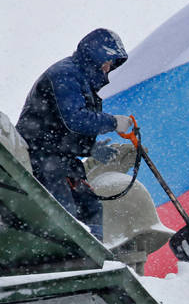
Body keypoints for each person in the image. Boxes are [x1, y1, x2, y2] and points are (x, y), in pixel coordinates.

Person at [16, 28, 133, 240]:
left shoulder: (78, 79)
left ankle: (93, 255)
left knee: (92, 211)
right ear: (96, 55)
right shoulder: (65, 74)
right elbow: (75, 118)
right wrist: (113, 122)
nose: (108, 68)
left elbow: (61, 130)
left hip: (62, 162)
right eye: (108, 62)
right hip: (41, 160)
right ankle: (68, 254)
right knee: (65, 219)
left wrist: (90, 148)